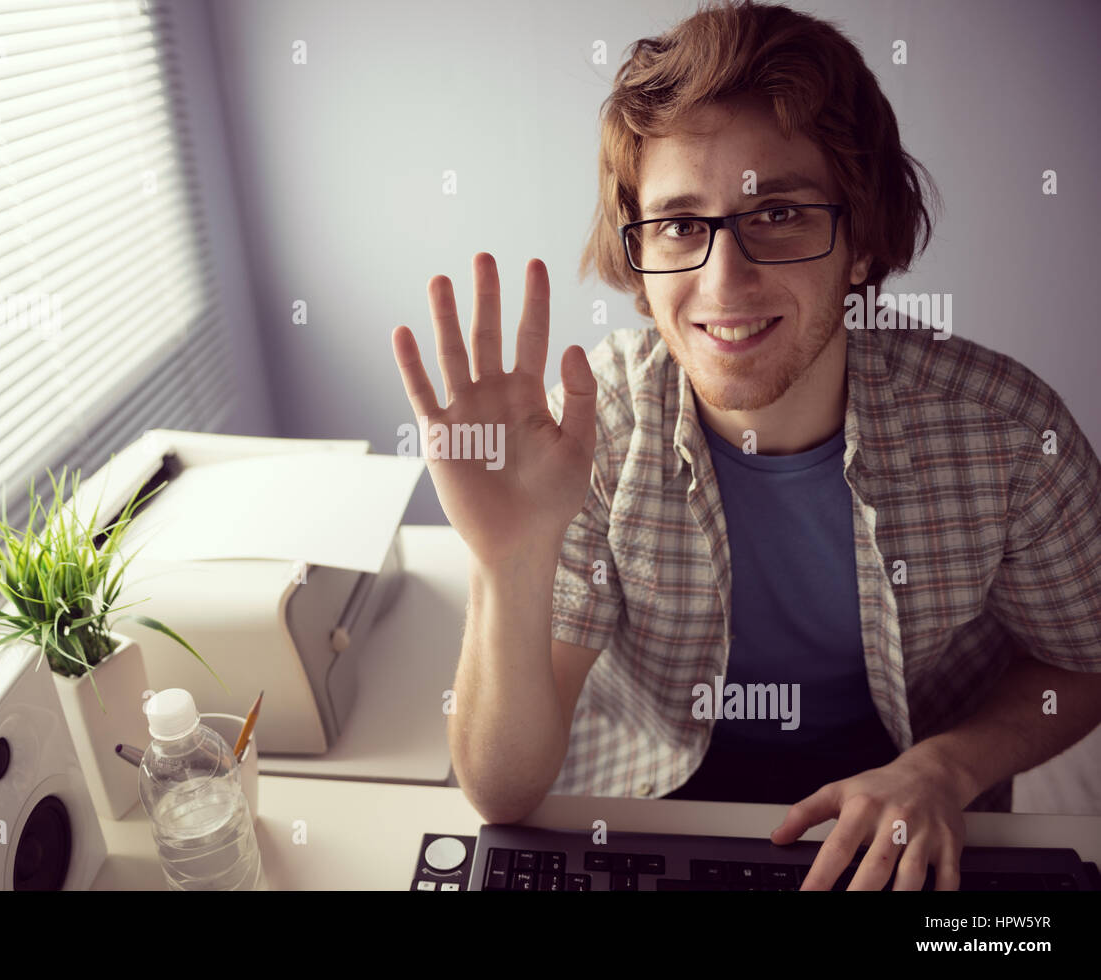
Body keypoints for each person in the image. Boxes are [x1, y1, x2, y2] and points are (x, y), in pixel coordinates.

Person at [389, 0, 1101, 891]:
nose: (724, 283)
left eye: (781, 214)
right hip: (648, 819)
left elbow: (1081, 660)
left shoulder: (1008, 435)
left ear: (862, 243)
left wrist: (951, 766)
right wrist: (506, 559)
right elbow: (501, 790)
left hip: (911, 846)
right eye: (683, 225)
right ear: (639, 251)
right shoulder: (590, 433)